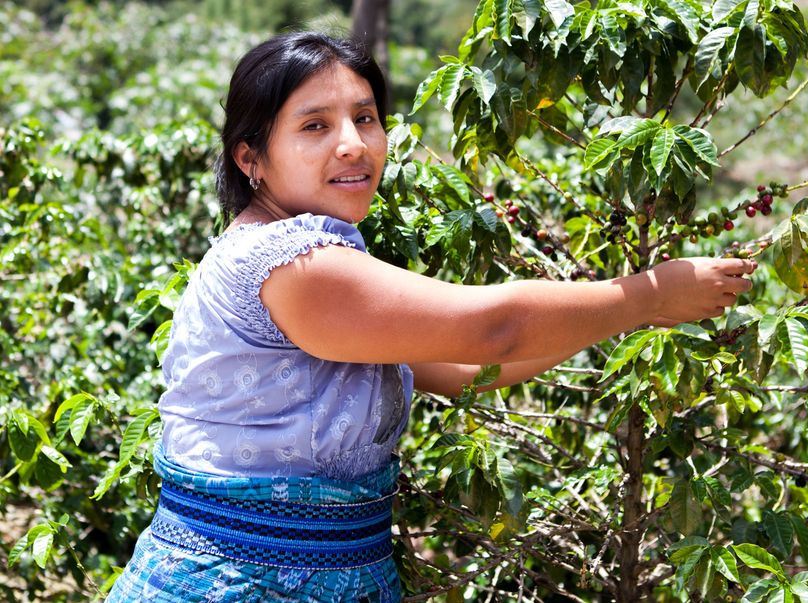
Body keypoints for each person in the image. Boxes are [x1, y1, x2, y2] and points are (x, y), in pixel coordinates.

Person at [105, 31, 756, 603]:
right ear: (251, 158)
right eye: (314, 126)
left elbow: (475, 366)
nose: (353, 144)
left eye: (366, 117)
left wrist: (631, 315)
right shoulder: (291, 263)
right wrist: (648, 295)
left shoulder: (311, 259)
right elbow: (493, 328)